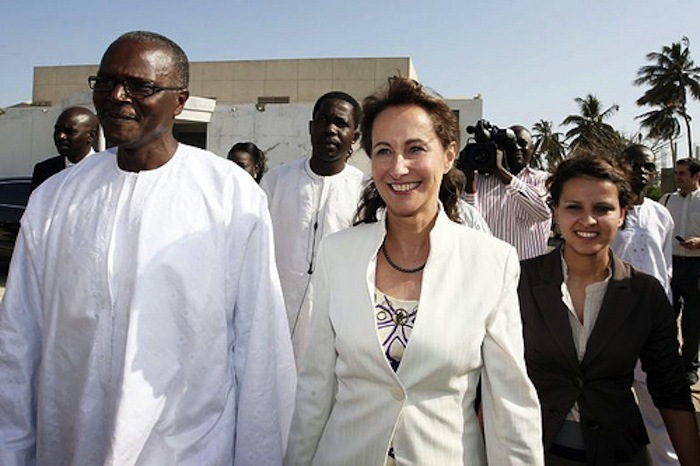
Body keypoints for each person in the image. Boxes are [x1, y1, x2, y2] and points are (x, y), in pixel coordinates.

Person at [0, 31, 295, 465]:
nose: (117, 96)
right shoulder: (55, 198)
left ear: (180, 101)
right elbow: (21, 339)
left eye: (141, 86)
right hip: (69, 443)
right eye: (105, 82)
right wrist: (13, 450)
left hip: (186, 449)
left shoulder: (229, 195)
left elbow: (258, 348)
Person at [285, 77, 543, 465]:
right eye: (384, 151)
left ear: (449, 155)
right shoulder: (337, 255)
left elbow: (510, 407)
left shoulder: (492, 263)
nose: (398, 167)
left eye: (415, 149)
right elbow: (315, 391)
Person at [518, 154, 700, 465]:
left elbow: (670, 389)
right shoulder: (518, 282)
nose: (587, 220)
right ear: (555, 211)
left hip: (620, 451)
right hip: (531, 451)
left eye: (602, 208)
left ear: (622, 214)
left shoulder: (644, 293)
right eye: (574, 207)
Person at [260, 91, 366, 363]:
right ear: (311, 128)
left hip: (339, 325)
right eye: (323, 121)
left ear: (354, 136)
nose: (330, 129)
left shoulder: (366, 191)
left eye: (341, 123)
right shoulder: (276, 182)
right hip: (276, 318)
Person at [611, 144, 678, 465]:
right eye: (633, 164)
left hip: (653, 328)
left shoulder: (661, 214)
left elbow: (664, 269)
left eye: (647, 166)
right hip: (610, 327)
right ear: (619, 167)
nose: (640, 171)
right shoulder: (605, 213)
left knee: (660, 409)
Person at [463, 124, 552, 259]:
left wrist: (500, 172)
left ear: (532, 149)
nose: (517, 147)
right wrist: (469, 180)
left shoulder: (542, 179)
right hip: (489, 267)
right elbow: (469, 224)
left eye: (522, 144)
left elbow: (542, 212)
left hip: (527, 271)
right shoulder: (479, 181)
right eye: (511, 143)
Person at [660, 157, 700, 386]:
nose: (678, 177)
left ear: (696, 176)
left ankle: (690, 367)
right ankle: (667, 364)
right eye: (676, 173)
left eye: (682, 173)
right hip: (671, 265)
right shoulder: (666, 201)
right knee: (665, 318)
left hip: (696, 266)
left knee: (693, 323)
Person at [30, 106, 99, 191]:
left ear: (91, 136)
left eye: (70, 132)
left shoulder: (106, 169)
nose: (61, 136)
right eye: (57, 130)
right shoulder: (44, 170)